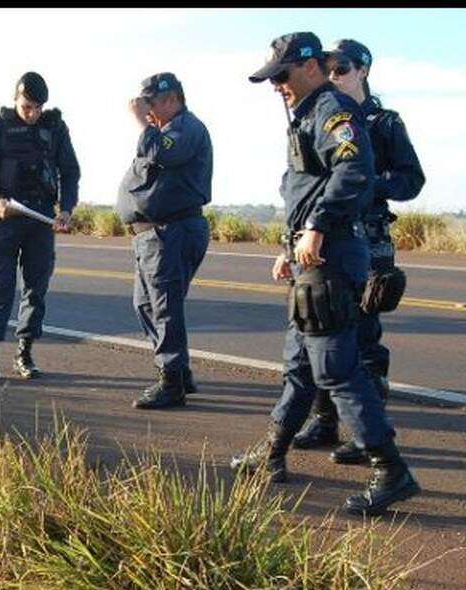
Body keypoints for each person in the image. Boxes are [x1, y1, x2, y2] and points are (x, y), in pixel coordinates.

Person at [231, 32, 420, 516]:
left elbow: (353, 171)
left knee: (335, 365)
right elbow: (305, 190)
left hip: (333, 254)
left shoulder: (333, 110)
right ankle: (272, 453)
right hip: (311, 257)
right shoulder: (308, 115)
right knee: (298, 363)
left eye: (282, 74)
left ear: (310, 66)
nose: (277, 85)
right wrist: (289, 247)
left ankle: (390, 469)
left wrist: (315, 228)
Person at [291, 38, 426, 464]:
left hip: (369, 241)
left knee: (364, 339)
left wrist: (372, 182)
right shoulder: (316, 116)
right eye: (328, 68)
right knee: (321, 333)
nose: (334, 75)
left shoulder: (383, 123)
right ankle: (323, 419)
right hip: (329, 239)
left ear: (363, 70)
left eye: (343, 67)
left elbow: (411, 180)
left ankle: (367, 433)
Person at [0, 71, 81, 383]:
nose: (32, 113)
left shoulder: (55, 128)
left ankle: (24, 353)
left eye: (37, 108)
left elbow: (70, 171)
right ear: (16, 99)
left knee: (35, 289)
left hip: (41, 218)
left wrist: (66, 209)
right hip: (6, 218)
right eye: (27, 107)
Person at [115, 72, 213, 408]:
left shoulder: (186, 128)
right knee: (145, 304)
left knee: (165, 307)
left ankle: (171, 382)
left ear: (172, 99)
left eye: (152, 104)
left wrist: (142, 123)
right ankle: (178, 371)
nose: (148, 111)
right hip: (152, 236)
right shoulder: (163, 131)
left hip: (172, 232)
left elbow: (161, 154)